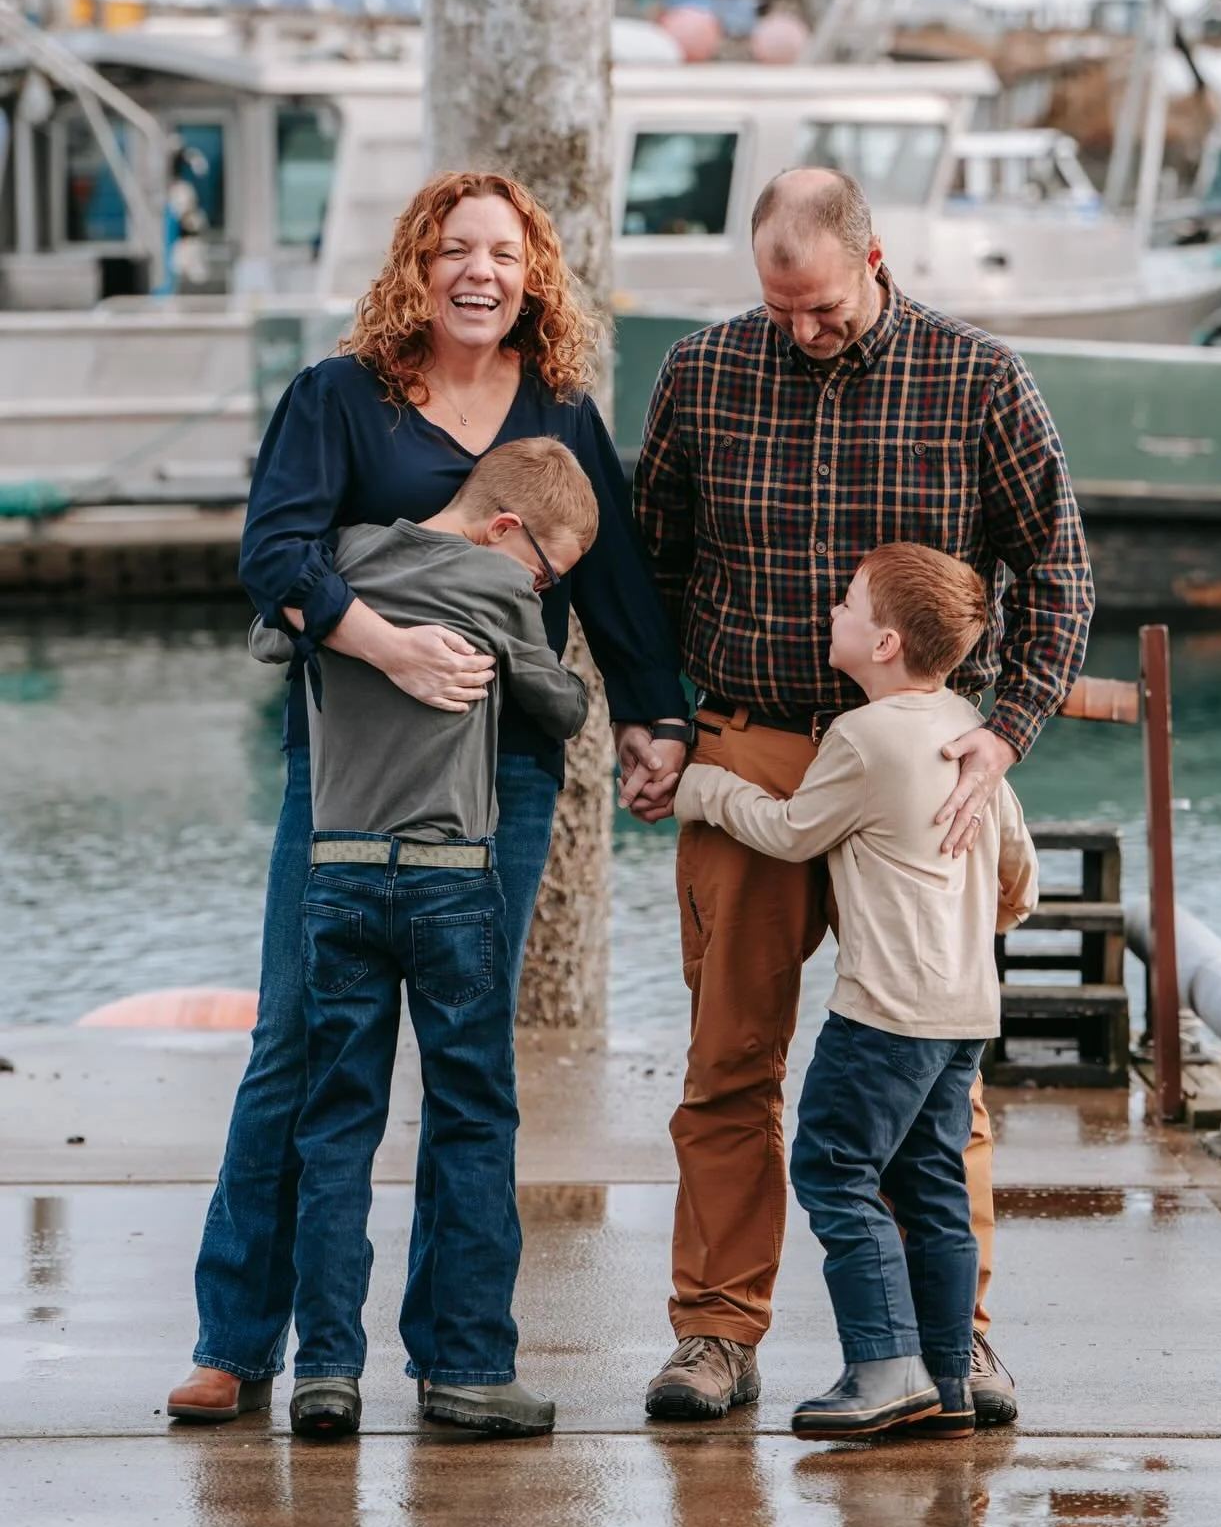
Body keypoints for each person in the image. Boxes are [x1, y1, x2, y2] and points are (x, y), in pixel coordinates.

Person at [167, 170, 689, 1424]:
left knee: (470, 1069)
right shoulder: (339, 400)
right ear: (416, 264)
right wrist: (385, 642)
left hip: (503, 780)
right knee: (295, 1046)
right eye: (456, 249)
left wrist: (656, 718)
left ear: (532, 275)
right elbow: (272, 555)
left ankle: (462, 1358)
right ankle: (240, 1340)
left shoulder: (559, 410)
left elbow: (610, 578)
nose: (480, 273)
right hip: (346, 771)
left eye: (504, 254)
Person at [632, 166, 1093, 1427]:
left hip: (930, 769)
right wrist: (661, 725)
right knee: (732, 1062)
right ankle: (717, 1335)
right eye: (779, 307)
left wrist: (1004, 737)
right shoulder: (703, 374)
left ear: (874, 258)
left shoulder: (980, 380)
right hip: (758, 746)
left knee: (937, 1074)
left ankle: (961, 1346)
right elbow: (648, 563)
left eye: (822, 306)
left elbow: (1058, 575)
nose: (801, 330)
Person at [248, 439, 595, 1440]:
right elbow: (561, 708)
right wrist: (521, 639)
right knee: (473, 1112)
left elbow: (275, 640)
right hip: (451, 884)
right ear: (502, 530)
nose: (541, 585)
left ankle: (326, 1372)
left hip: (337, 875)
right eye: (547, 570)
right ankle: (471, 1368)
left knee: (335, 1122)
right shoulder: (495, 584)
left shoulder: (344, 558)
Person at [675, 544, 1038, 1438]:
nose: (828, 613)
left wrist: (707, 788)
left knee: (834, 1171)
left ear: (881, 644)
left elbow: (793, 832)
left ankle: (882, 1369)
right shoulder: (969, 732)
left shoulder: (862, 738)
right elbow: (1018, 875)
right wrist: (975, 923)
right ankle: (951, 1379)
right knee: (932, 1189)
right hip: (963, 1014)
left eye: (843, 604)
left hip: (883, 1013)